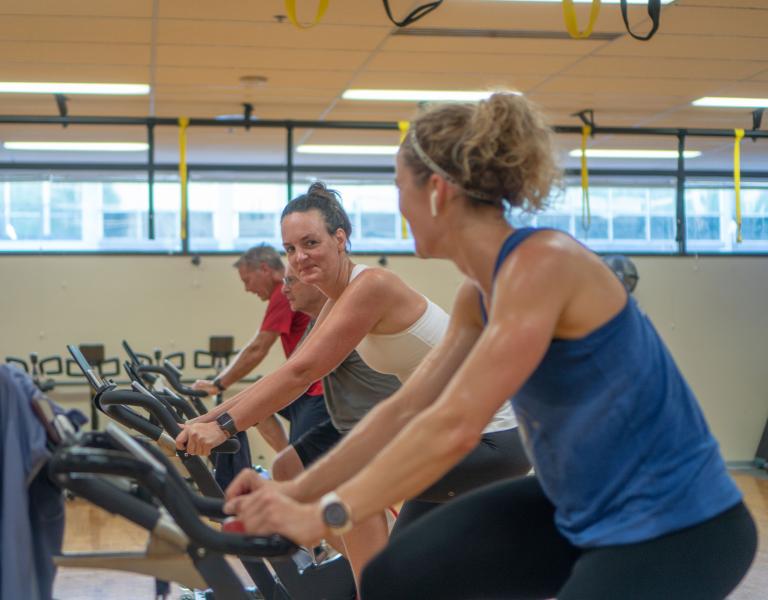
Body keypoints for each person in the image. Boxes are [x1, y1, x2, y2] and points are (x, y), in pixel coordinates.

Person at [219, 94, 757, 600]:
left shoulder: (545, 265)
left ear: (438, 191)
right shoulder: (477, 295)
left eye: (400, 188)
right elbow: (405, 409)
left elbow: (452, 426)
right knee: (394, 575)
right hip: (580, 503)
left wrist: (325, 513)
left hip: (679, 520)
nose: (399, 207)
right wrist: (297, 491)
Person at [176, 182, 528, 584]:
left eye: (310, 243)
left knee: (349, 485)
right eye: (290, 249)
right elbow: (287, 371)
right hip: (448, 432)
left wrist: (223, 429)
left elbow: (301, 374)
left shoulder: (373, 287)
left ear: (339, 239)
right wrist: (203, 420)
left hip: (489, 438)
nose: (299, 258)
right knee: (405, 565)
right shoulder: (337, 299)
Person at [192, 245, 329, 456]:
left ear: (264, 269)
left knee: (303, 461)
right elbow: (258, 344)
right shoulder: (286, 294)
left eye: (247, 280)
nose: (247, 289)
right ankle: (286, 461)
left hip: (316, 388)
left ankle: (289, 465)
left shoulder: (284, 294)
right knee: (256, 405)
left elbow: (258, 348)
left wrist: (218, 384)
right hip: (307, 384)